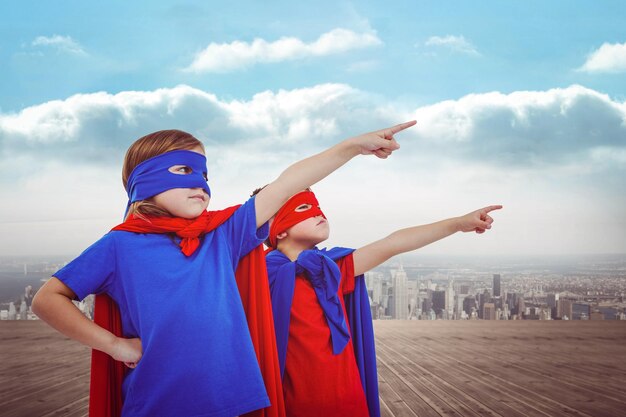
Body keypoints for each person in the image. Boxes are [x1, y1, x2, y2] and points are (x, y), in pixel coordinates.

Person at [31, 121, 416, 417]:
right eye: (184, 170)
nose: (201, 184)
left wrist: (350, 147)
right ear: (144, 180)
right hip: (155, 403)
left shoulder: (222, 235)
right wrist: (114, 346)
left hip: (229, 401)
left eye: (205, 176)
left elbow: (286, 185)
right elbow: (48, 299)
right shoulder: (118, 245)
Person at [259, 188, 502, 417]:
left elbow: (392, 244)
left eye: (317, 206)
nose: (318, 213)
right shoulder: (257, 278)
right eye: (303, 207)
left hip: (348, 399)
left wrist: (457, 224)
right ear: (277, 230)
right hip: (292, 404)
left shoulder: (332, 269)